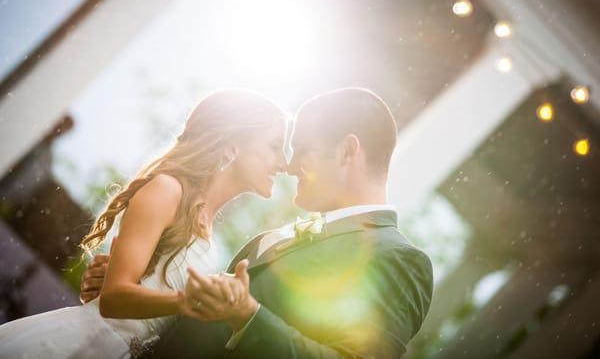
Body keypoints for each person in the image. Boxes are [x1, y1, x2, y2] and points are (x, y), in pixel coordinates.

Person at [82, 87, 434, 358]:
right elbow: (202, 317)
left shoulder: (399, 259)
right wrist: (143, 282)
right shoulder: (269, 239)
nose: (290, 167)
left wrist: (249, 317)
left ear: (347, 151)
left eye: (303, 150)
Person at [0, 89, 287, 359]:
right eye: (275, 146)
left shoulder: (208, 233)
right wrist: (190, 302)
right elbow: (113, 298)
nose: (283, 163)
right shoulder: (168, 190)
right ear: (234, 145)